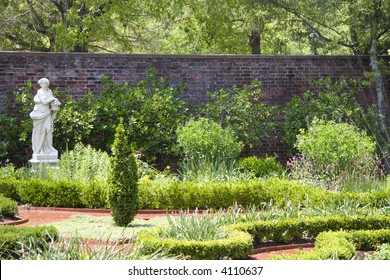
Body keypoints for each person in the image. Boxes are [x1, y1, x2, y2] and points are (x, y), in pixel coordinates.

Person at [30, 78, 61, 159]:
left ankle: (49, 147)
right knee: (38, 131)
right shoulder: (39, 92)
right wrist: (53, 98)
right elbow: (44, 102)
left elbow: (51, 101)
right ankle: (38, 149)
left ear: (47, 84)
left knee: (49, 129)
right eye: (41, 83)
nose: (42, 85)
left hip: (47, 113)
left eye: (44, 83)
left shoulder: (49, 91)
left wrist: (55, 102)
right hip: (39, 113)